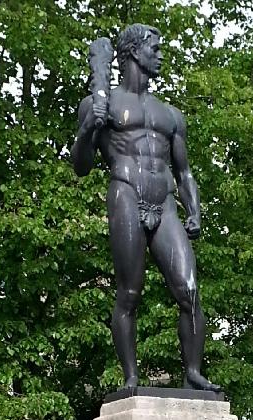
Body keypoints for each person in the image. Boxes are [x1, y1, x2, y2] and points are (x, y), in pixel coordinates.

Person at [71, 24, 220, 392]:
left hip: (165, 202)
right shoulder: (98, 103)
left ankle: (193, 372)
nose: (160, 54)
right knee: (129, 293)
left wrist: (194, 209)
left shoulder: (170, 114)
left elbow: (184, 172)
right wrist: (88, 130)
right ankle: (132, 377)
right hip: (125, 194)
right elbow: (81, 166)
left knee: (189, 290)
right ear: (134, 52)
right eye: (154, 47)